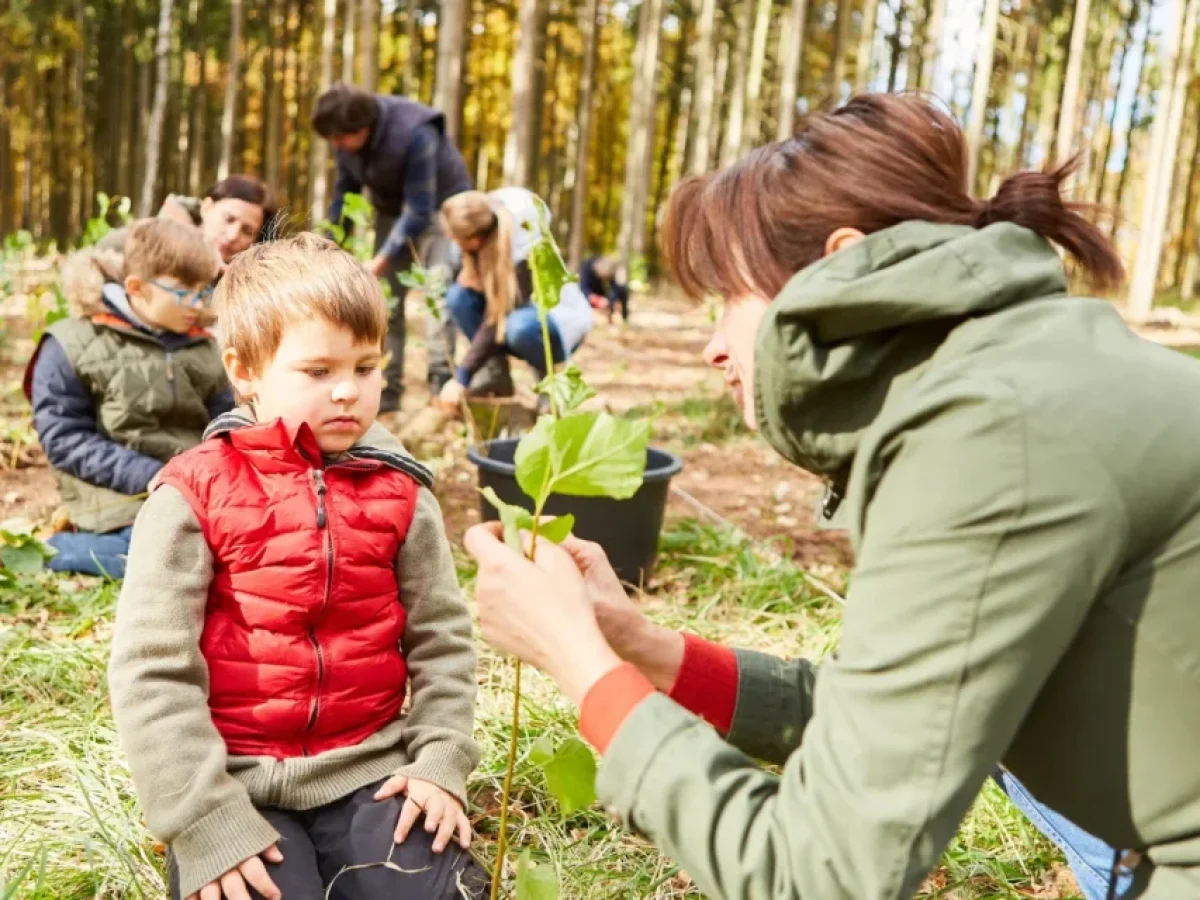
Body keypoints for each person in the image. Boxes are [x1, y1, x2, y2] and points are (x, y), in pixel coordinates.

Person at [463, 93, 1200, 899]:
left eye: (730, 302)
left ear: (835, 266)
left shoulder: (995, 440)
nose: (713, 346)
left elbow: (819, 872)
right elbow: (884, 712)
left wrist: (579, 661)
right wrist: (642, 648)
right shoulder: (1012, 379)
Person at [107, 233, 487, 900]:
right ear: (245, 370)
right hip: (235, 783)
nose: (348, 393)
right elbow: (151, 671)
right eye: (318, 372)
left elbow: (443, 638)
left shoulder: (400, 490)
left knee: (436, 890)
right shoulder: (190, 496)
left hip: (373, 771)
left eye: (367, 368)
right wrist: (204, 821)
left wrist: (439, 762)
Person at [26, 218, 233, 579]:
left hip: (196, 489)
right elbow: (65, 439)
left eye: (203, 292)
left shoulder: (205, 346)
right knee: (165, 556)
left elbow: (225, 424)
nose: (197, 305)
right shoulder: (69, 344)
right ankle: (60, 551)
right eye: (185, 293)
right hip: (117, 496)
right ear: (137, 288)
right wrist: (150, 476)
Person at [313, 83, 474, 413]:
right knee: (387, 299)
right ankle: (389, 388)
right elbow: (344, 196)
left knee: (437, 293)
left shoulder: (416, 132)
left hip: (441, 209)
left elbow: (419, 208)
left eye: (341, 139)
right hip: (392, 209)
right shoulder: (344, 140)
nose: (337, 146)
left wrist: (382, 257)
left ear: (363, 129)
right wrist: (327, 248)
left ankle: (440, 383)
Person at [435, 187, 595, 412]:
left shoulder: (523, 249)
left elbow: (496, 320)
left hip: (554, 324)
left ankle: (550, 385)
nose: (452, 242)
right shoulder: (476, 241)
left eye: (455, 237)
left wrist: (461, 377)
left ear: (474, 240)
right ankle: (496, 376)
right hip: (511, 321)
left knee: (518, 327)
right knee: (457, 297)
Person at [98, 174, 278, 273]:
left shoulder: (246, 290)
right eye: (228, 219)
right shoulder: (134, 242)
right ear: (207, 207)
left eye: (247, 231)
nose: (233, 236)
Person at [580, 254, 630, 323]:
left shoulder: (609, 267)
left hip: (604, 294)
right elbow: (583, 289)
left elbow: (616, 288)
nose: (604, 279)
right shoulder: (586, 267)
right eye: (602, 277)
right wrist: (594, 298)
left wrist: (611, 300)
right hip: (591, 293)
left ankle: (622, 317)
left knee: (623, 289)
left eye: (606, 277)